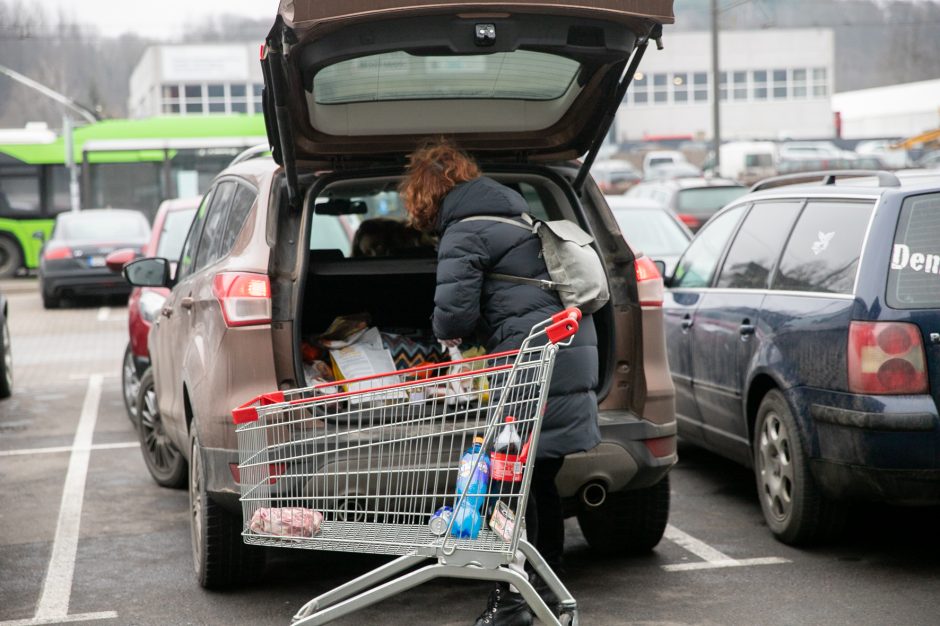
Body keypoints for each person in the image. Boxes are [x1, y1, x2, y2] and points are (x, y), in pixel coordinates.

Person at [399, 139, 600, 625]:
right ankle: (545, 597)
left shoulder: (464, 232)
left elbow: (453, 317)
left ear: (427, 194)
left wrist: (440, 338)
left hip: (531, 367)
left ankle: (514, 604)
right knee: (539, 482)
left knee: (511, 488)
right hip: (568, 355)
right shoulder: (516, 214)